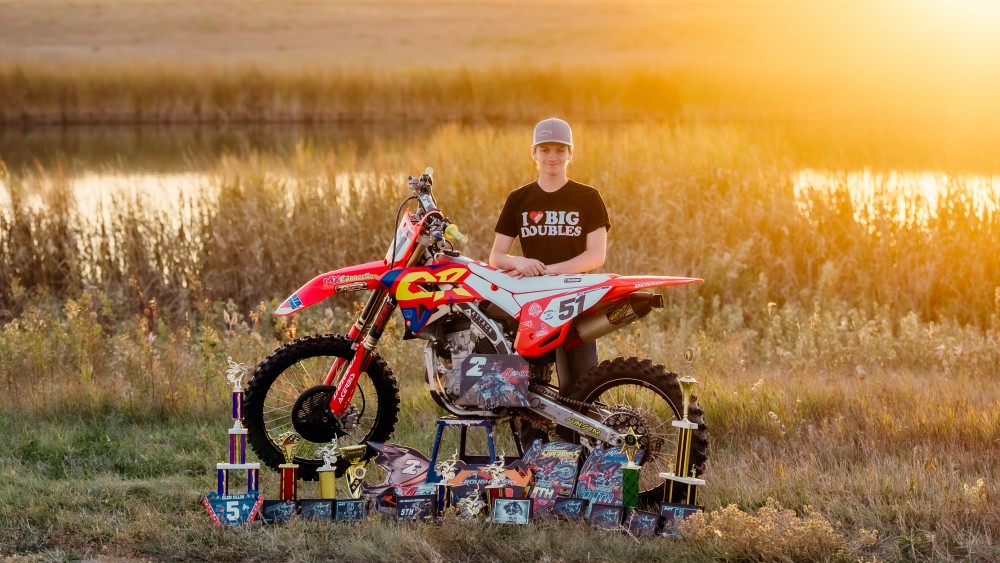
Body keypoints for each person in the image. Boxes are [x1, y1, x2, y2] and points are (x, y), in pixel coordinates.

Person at [489, 117, 611, 385]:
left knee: (583, 386)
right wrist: (518, 262)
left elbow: (595, 256)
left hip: (575, 299)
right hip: (531, 300)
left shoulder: (589, 197)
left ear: (570, 153)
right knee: (526, 386)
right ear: (534, 153)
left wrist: (548, 271)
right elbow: (496, 257)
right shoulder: (518, 198)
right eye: (545, 150)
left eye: (560, 149)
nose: (552, 157)